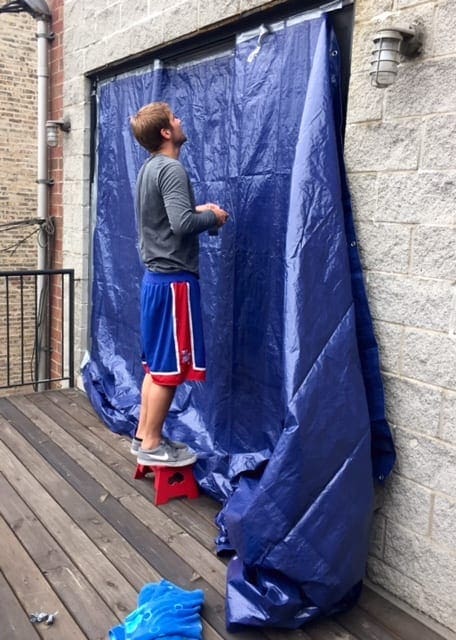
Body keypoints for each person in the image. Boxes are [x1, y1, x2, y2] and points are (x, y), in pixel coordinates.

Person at [129, 102, 228, 467]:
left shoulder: (148, 170)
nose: (180, 119)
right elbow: (183, 225)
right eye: (174, 118)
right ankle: (153, 442)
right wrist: (213, 216)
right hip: (174, 284)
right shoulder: (171, 169)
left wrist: (199, 211)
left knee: (155, 367)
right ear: (167, 133)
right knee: (169, 369)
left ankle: (143, 434)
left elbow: (168, 219)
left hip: (156, 281)